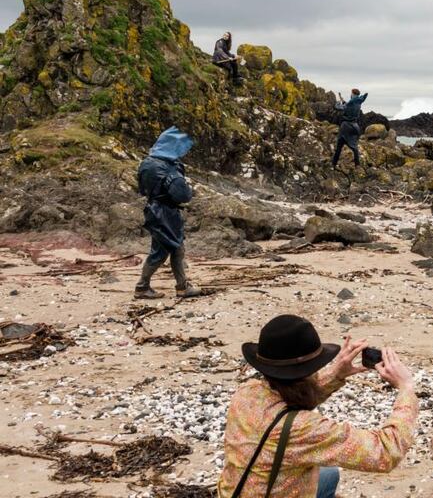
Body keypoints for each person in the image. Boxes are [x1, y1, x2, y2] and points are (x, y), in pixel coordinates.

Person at [217, 314, 418, 498]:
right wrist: (406, 388)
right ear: (310, 370)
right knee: (327, 474)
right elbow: (384, 452)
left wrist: (336, 374)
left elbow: (291, 397)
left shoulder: (246, 393)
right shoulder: (303, 428)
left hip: (236, 492)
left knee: (328, 474)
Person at [135, 126, 202, 299]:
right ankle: (143, 287)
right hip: (166, 213)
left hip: (153, 210)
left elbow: (142, 189)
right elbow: (182, 195)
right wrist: (188, 189)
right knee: (169, 249)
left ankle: (180, 286)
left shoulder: (147, 163)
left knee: (170, 249)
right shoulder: (169, 169)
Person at [332, 88, 368, 168]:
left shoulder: (350, 103)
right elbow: (349, 106)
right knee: (354, 146)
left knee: (339, 146)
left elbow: (339, 108)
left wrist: (338, 102)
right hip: (355, 127)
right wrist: (343, 101)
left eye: (351, 93)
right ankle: (357, 165)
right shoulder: (359, 102)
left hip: (345, 126)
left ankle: (333, 164)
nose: (350, 95)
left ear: (353, 94)